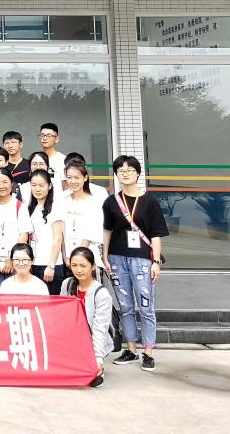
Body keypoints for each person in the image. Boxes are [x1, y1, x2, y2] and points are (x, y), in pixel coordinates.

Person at [103, 155, 168, 373]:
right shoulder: (111, 202)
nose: (125, 173)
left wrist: (156, 261)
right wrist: (105, 256)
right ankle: (131, 349)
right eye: (120, 170)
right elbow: (107, 231)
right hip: (117, 258)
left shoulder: (150, 201)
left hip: (142, 260)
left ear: (138, 173)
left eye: (130, 170)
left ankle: (148, 351)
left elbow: (156, 234)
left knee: (146, 306)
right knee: (125, 306)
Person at [62, 246, 113, 387]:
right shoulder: (67, 284)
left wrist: (98, 359)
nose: (78, 270)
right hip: (72, 338)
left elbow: (99, 329)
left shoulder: (101, 294)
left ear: (93, 266)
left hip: (92, 339)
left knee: (91, 377)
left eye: (83, 266)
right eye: (74, 265)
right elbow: (62, 316)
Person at [0, 168, 33, 293]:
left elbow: (23, 235)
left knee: (15, 295)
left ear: (12, 184)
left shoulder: (20, 206)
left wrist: (12, 259)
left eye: (5, 182)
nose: (1, 186)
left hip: (15, 261)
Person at [63, 161, 105, 272]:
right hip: (66, 258)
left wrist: (77, 257)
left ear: (85, 178)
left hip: (86, 258)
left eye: (77, 177)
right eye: (69, 177)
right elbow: (60, 230)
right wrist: (65, 256)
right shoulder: (63, 200)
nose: (73, 181)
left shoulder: (94, 202)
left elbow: (91, 232)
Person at [27, 170, 64, 294]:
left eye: (41, 185)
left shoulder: (55, 208)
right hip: (33, 264)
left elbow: (58, 238)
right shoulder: (31, 208)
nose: (37, 189)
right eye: (34, 185)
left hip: (50, 265)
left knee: (51, 302)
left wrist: (51, 265)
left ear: (49, 186)